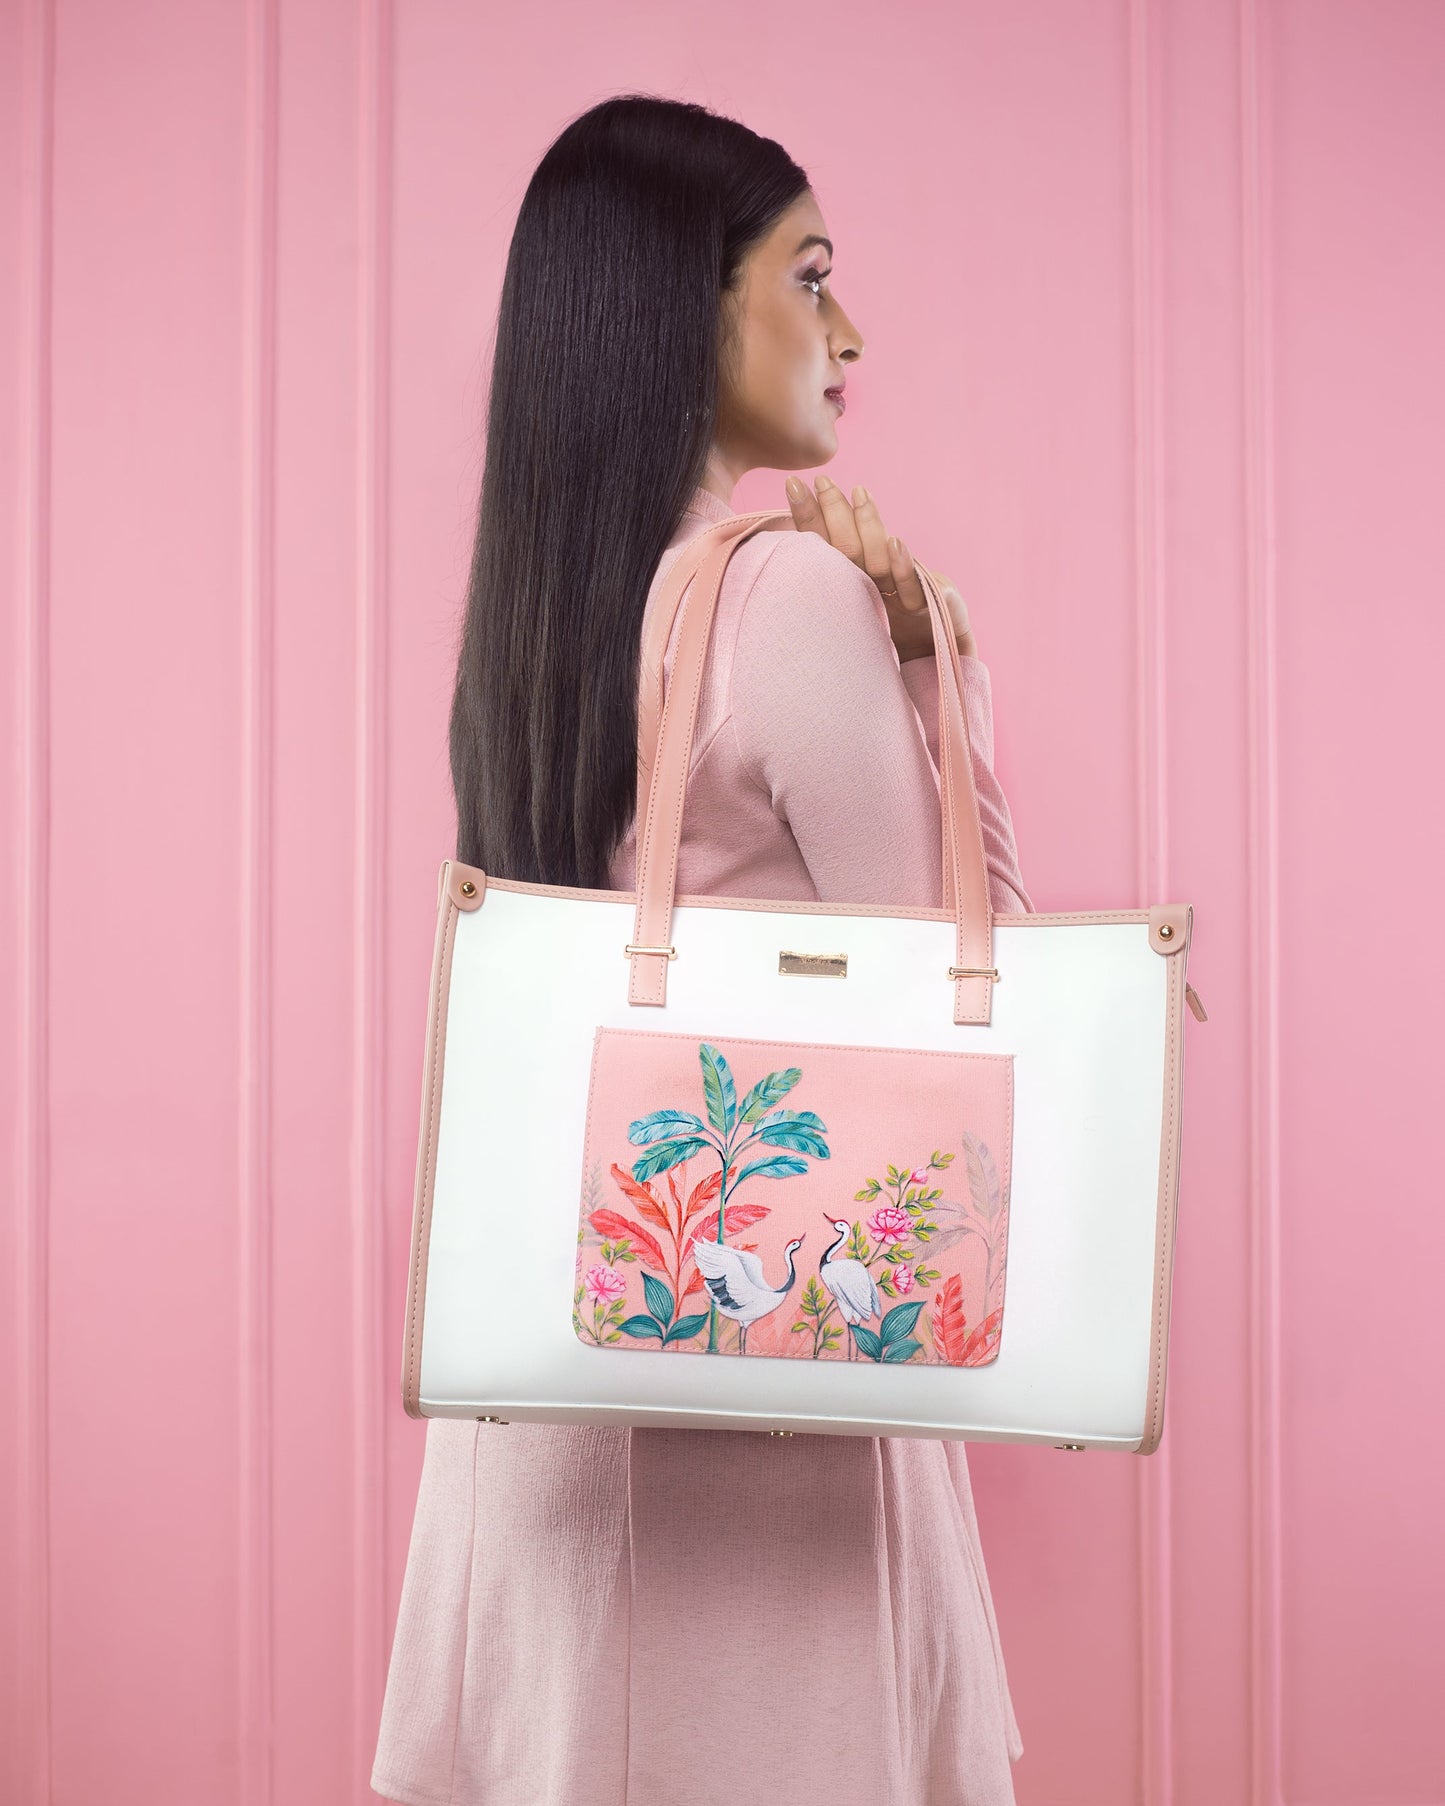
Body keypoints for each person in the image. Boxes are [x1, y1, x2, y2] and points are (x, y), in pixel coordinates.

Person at [371, 94, 1032, 1806]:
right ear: (689, 302)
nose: (850, 330)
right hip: (757, 1474)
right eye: (809, 279)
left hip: (536, 1463)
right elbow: (981, 1001)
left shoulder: (539, 625)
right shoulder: (781, 600)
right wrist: (925, 660)